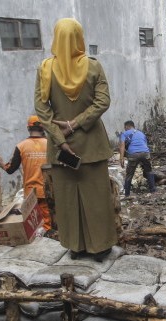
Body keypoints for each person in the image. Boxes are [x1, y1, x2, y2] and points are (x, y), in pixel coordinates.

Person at [34, 18, 117, 260]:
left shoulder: (45, 68)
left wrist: (61, 138)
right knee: (97, 198)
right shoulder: (93, 67)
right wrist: (76, 124)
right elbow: (103, 101)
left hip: (62, 149)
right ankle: (100, 247)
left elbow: (42, 110)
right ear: (79, 37)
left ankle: (75, 247)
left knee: (68, 198)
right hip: (91, 144)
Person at [0, 115, 52, 231]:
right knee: (48, 222)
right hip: (47, 190)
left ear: (28, 128)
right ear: (43, 128)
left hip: (30, 193)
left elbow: (10, 169)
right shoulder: (50, 145)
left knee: (34, 221)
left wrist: (1, 163)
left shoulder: (21, 146)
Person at [119, 120, 156, 196]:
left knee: (129, 174)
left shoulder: (124, 134)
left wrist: (121, 158)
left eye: (125, 128)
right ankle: (153, 190)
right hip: (145, 153)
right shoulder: (141, 133)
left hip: (133, 154)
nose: (125, 129)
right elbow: (145, 144)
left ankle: (127, 194)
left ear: (127, 126)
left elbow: (122, 146)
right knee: (149, 171)